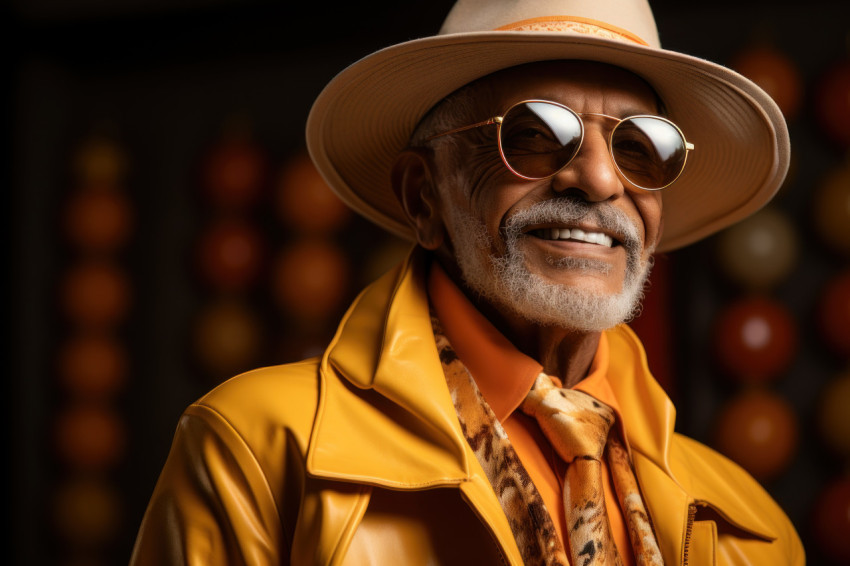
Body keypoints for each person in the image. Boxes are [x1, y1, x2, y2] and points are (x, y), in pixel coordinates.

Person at [130, 0, 805, 564]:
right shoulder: (259, 450)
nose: (601, 181)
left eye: (639, 146)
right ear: (424, 197)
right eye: (537, 134)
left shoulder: (748, 525)